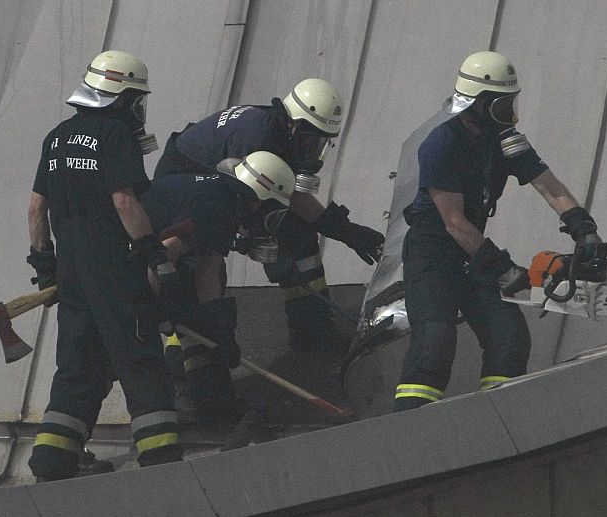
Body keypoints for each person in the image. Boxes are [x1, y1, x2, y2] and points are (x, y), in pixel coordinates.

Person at [393, 51, 607, 411]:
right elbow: (454, 222)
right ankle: (407, 429)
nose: (509, 112)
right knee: (434, 341)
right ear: (477, 104)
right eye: (501, 104)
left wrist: (583, 229)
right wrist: (502, 269)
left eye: (511, 101)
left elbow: (548, 185)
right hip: (434, 254)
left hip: (473, 253)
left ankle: (498, 418)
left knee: (508, 338)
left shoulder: (505, 140)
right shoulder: (441, 144)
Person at [26, 50, 183, 481]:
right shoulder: (117, 136)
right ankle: (162, 462)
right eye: (136, 99)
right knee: (140, 361)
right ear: (121, 96)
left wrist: (45, 264)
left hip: (74, 277)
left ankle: (52, 459)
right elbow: (123, 200)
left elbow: (37, 209)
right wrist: (151, 251)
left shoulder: (56, 137)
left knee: (77, 367)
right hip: (117, 273)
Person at [153, 78, 385, 353]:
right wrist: (342, 230)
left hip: (213, 178)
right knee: (198, 266)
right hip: (188, 182)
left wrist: (344, 230)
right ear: (295, 124)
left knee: (295, 235)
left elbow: (283, 196)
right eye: (313, 139)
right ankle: (185, 357)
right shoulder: (259, 140)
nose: (315, 149)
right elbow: (263, 198)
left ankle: (312, 330)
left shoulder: (279, 131)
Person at [140, 151, 296, 423]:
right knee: (124, 350)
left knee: (201, 319)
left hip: (144, 256)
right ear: (258, 200)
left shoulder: (224, 200)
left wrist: (219, 330)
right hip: (126, 259)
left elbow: (208, 267)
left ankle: (210, 401)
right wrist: (151, 308)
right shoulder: (216, 208)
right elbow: (159, 256)